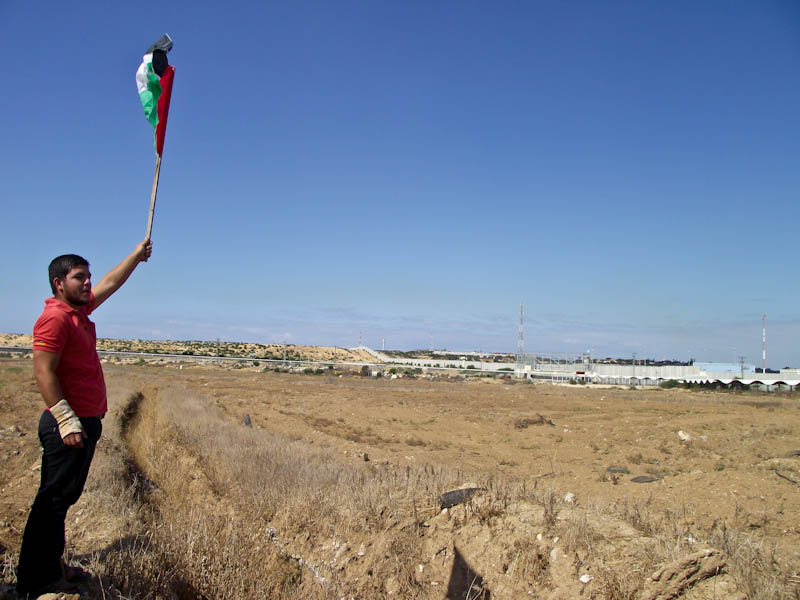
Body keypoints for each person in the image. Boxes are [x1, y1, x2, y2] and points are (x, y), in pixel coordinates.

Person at [15, 240, 153, 598]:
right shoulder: (55, 318)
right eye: (80, 277)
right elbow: (44, 372)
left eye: (88, 276)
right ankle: (37, 580)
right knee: (52, 501)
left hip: (83, 423)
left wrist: (136, 257)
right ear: (59, 283)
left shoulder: (78, 314)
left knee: (62, 499)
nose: (88, 283)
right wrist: (66, 419)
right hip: (69, 427)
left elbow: (110, 282)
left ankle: (52, 566)